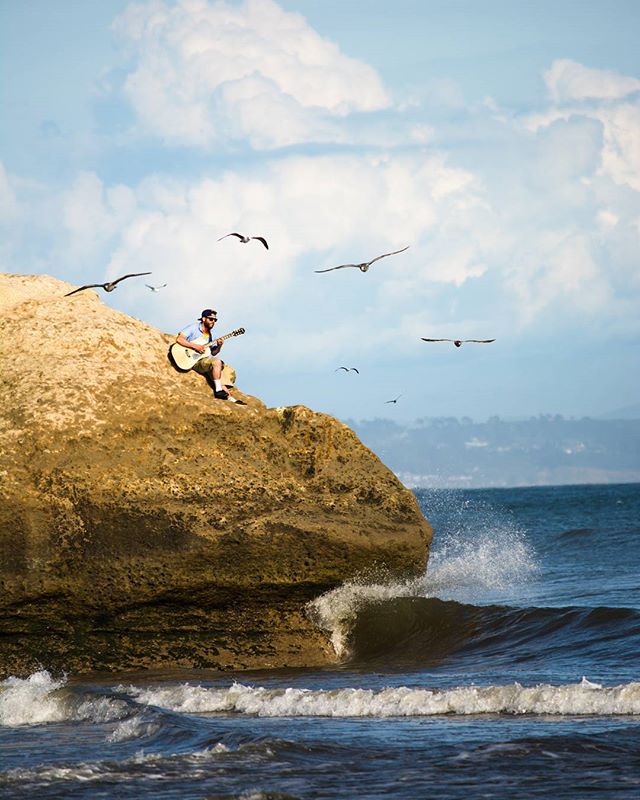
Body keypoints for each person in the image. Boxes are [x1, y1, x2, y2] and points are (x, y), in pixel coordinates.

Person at [175, 309, 243, 403]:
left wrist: (219, 345)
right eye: (211, 319)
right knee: (217, 362)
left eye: (215, 320)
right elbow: (179, 339)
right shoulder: (193, 328)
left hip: (204, 360)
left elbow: (214, 352)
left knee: (222, 369)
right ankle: (218, 390)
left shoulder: (212, 335)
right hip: (193, 360)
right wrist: (195, 346)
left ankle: (230, 398)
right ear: (203, 319)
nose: (213, 322)